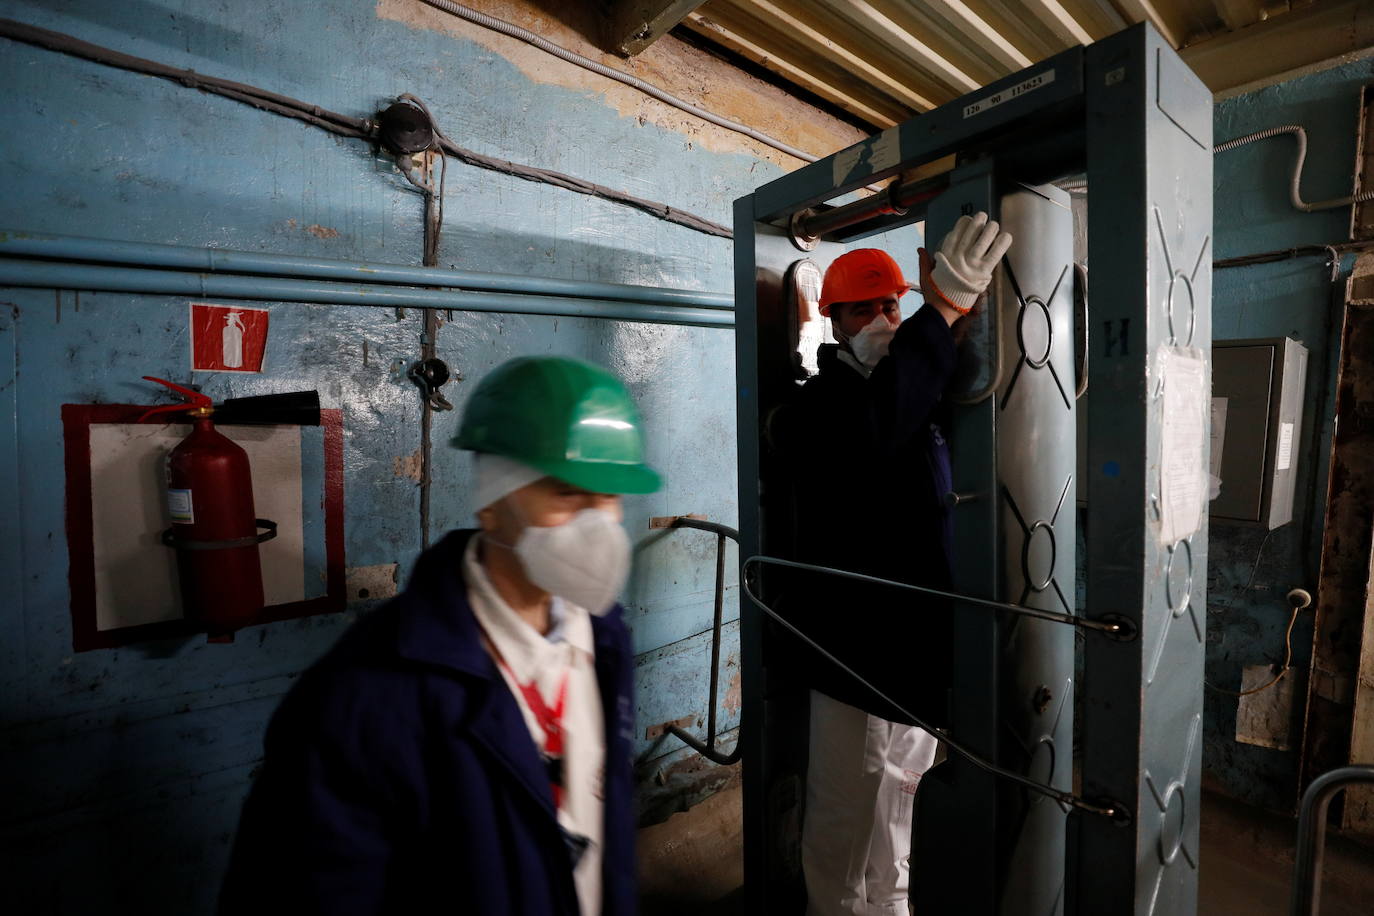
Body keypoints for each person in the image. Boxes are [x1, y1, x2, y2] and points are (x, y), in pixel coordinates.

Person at [219, 356, 660, 916]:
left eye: (612, 495)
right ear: (493, 504)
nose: (600, 524)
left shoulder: (605, 638)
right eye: (567, 493)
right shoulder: (362, 699)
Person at [784, 213, 1011, 916]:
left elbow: (914, 393)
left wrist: (955, 318)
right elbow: (877, 427)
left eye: (893, 304)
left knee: (897, 824)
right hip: (858, 660)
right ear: (835, 323)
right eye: (865, 308)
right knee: (845, 832)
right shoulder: (818, 407)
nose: (884, 317)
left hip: (914, 654)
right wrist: (939, 308)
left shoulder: (914, 392)